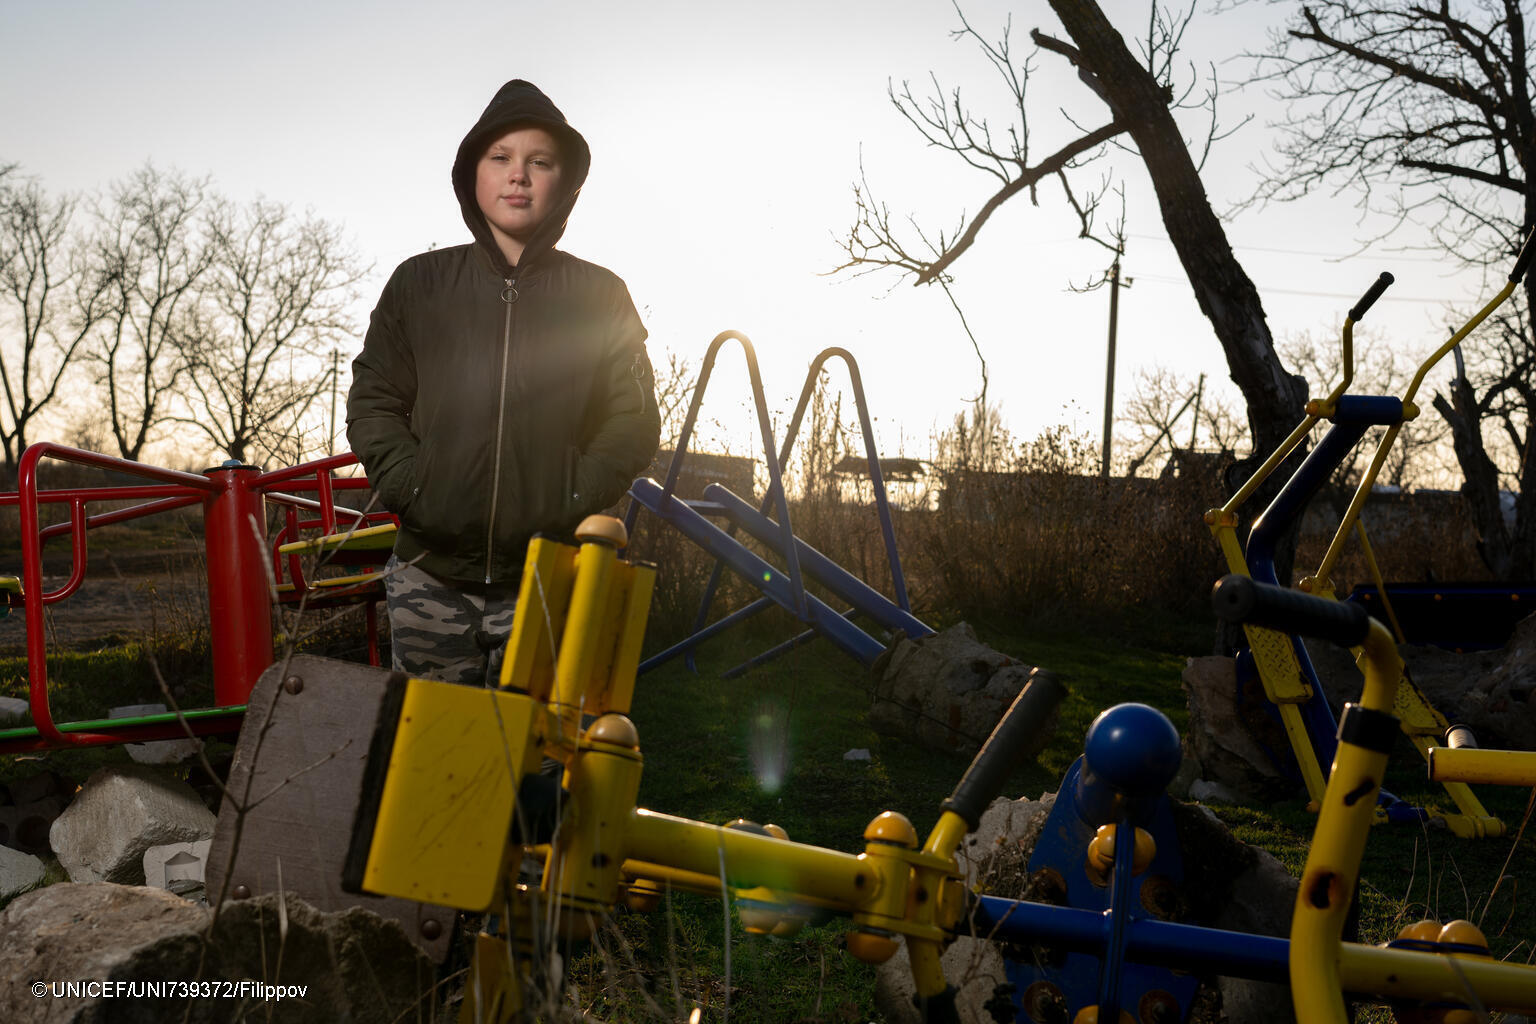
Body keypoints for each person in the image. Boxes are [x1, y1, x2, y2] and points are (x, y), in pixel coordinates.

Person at [346, 79, 661, 684]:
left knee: (537, 762)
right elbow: (374, 399)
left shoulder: (601, 296)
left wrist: (574, 490)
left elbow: (634, 418)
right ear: (473, 176)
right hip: (429, 577)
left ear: (564, 184)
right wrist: (413, 485)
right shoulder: (419, 285)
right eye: (501, 158)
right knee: (436, 758)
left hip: (550, 577)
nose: (519, 175)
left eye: (539, 162)